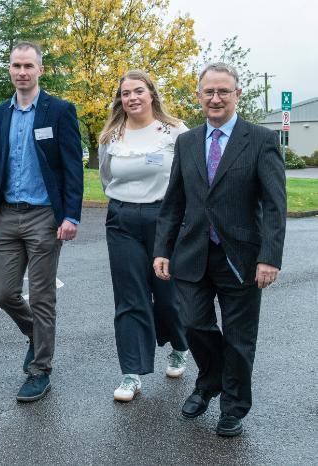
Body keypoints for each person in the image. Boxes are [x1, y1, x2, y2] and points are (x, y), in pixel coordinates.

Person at [154, 62, 286, 437]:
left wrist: (269, 257)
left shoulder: (260, 139)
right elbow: (174, 201)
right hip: (193, 252)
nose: (215, 98)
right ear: (198, 96)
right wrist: (162, 248)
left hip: (242, 256)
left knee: (241, 338)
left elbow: (275, 205)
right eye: (208, 92)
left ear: (237, 94)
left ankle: (233, 405)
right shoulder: (187, 141)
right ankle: (209, 380)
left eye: (223, 91)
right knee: (195, 324)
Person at [0, 41, 83, 402]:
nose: (21, 72)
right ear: (9, 69)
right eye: (15, 66)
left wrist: (70, 215)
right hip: (6, 215)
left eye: (28, 66)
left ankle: (40, 370)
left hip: (43, 217)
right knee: (3, 293)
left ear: (40, 70)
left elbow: (71, 167)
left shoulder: (59, 111)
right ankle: (36, 335)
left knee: (41, 296)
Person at [98, 70, 189, 402]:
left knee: (167, 296)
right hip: (122, 219)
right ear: (120, 99)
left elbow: (189, 176)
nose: (132, 98)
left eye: (138, 91)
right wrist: (127, 201)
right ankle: (131, 373)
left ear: (152, 94)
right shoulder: (111, 135)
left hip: (165, 219)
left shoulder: (175, 131)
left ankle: (180, 345)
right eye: (125, 93)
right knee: (130, 296)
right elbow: (107, 178)